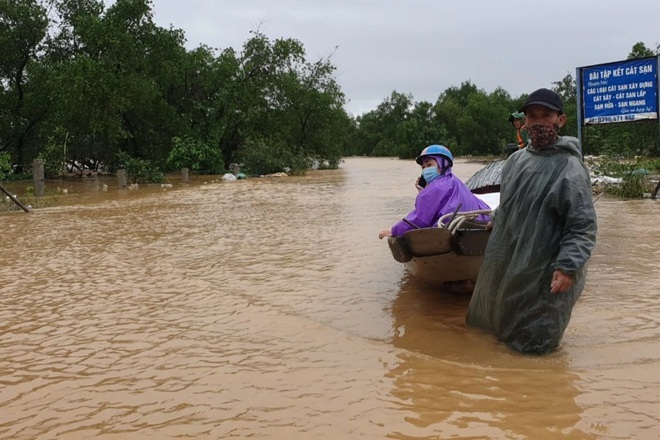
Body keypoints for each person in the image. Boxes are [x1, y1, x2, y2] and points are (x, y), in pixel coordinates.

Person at [466, 88, 597, 354]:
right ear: (524, 122)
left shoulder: (569, 168)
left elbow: (582, 226)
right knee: (495, 330)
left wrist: (567, 267)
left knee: (535, 345)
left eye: (546, 115)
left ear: (560, 120)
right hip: (510, 265)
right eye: (532, 116)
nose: (538, 122)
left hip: (546, 271)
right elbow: (510, 203)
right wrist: (495, 220)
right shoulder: (515, 161)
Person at [378, 145, 491, 239]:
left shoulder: (437, 187)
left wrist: (394, 231)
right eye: (423, 167)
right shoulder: (454, 180)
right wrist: (423, 192)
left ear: (443, 164)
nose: (425, 170)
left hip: (454, 231)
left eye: (429, 165)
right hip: (480, 225)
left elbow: (420, 218)